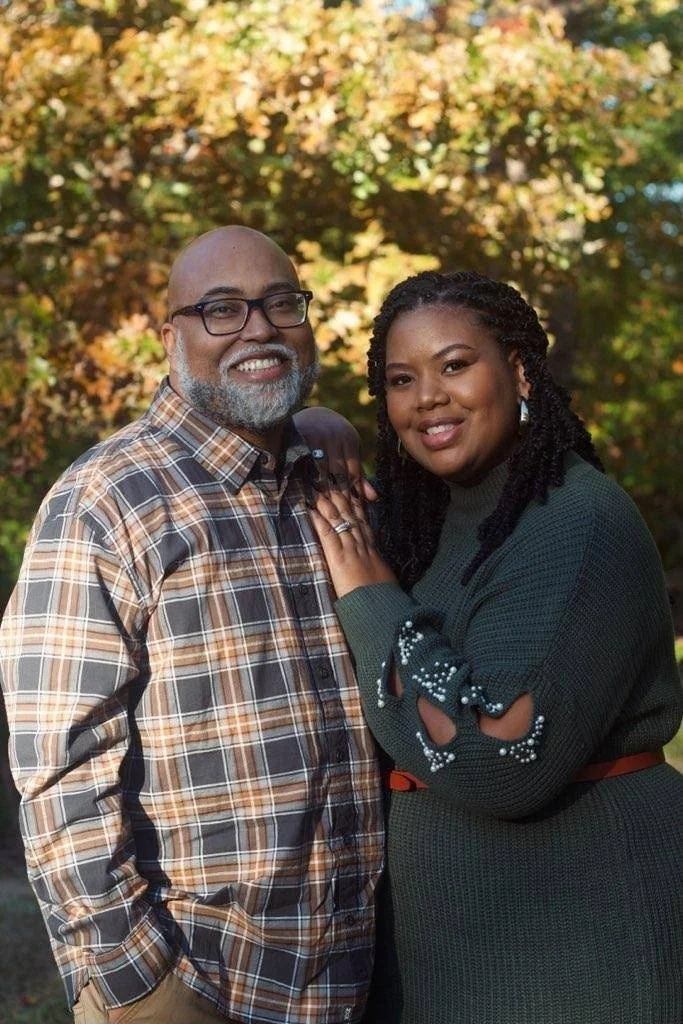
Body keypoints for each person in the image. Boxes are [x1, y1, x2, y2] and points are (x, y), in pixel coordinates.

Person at [0, 226, 384, 1024]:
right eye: (221, 310)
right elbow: (60, 766)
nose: (259, 327)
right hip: (201, 986)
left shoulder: (329, 485)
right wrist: (135, 981)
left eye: (281, 303)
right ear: (169, 336)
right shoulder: (107, 501)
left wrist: (327, 424)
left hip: (349, 978)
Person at [310, 270, 683, 1024]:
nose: (428, 398)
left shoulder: (573, 525)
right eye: (400, 379)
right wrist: (315, 425)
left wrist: (369, 595)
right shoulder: (428, 520)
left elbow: (494, 757)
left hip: (574, 943)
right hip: (450, 947)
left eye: (455, 365)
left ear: (516, 369)